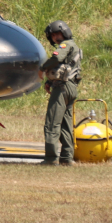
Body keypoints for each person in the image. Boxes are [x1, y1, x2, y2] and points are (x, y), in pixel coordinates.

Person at [40, 20, 82, 165]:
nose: (55, 38)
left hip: (62, 88)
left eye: (57, 34)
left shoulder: (66, 45)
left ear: (64, 32)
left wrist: (42, 68)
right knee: (66, 124)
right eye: (52, 36)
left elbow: (57, 58)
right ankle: (66, 158)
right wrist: (49, 82)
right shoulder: (74, 46)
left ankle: (51, 158)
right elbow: (64, 67)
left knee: (52, 123)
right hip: (71, 88)